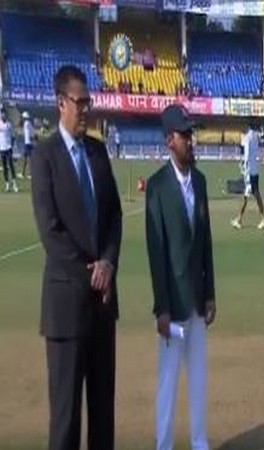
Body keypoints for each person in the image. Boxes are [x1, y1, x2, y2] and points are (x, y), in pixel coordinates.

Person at [30, 65, 123, 450]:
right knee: (66, 419)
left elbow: (115, 216)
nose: (86, 109)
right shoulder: (45, 157)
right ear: (60, 103)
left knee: (103, 416)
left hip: (102, 308)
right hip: (67, 307)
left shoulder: (98, 152)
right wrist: (90, 274)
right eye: (80, 102)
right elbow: (51, 231)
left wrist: (108, 262)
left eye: (89, 102)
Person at [145, 104, 216, 450]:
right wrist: (161, 307)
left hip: (198, 303)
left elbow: (205, 243)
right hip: (172, 306)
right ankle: (164, 444)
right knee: (168, 382)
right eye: (185, 134)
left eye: (192, 133)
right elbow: (155, 254)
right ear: (169, 140)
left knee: (199, 379)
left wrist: (211, 294)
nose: (192, 139)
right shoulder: (157, 187)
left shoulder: (200, 181)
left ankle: (200, 441)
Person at [230, 122, 264, 229]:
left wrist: (243, 166)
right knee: (253, 194)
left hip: (249, 171)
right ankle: (240, 219)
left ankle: (260, 219)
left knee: (248, 195)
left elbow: (246, 155)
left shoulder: (247, 138)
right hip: (255, 170)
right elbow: (262, 140)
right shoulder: (255, 135)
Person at [0, 106, 18, 192]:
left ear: (6, 115)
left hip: (9, 147)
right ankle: (7, 185)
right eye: (1, 113)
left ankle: (14, 184)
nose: (3, 115)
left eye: (4, 113)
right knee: (4, 167)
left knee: (11, 166)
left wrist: (13, 145)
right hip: (2, 148)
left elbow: (13, 136)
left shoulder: (8, 124)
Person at [21, 111, 36, 179]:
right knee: (26, 158)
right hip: (29, 143)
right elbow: (33, 134)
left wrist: (31, 139)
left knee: (28, 159)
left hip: (28, 143)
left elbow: (30, 135)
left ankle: (28, 174)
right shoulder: (29, 124)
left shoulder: (26, 124)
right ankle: (24, 173)